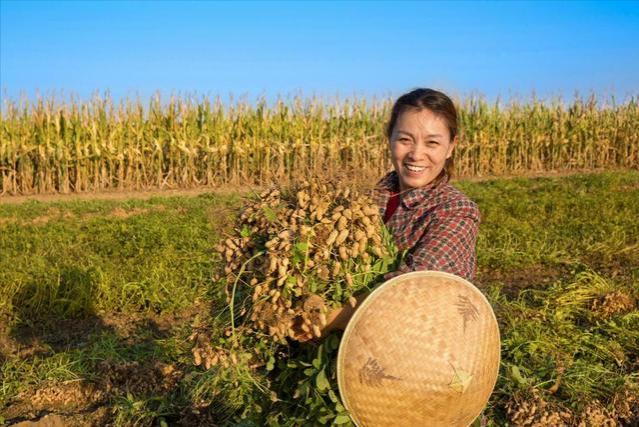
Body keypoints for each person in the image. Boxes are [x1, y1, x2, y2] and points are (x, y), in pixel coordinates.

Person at [319, 88, 481, 336]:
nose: (416, 154)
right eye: (405, 140)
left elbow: (409, 290)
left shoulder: (456, 211)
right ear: (389, 138)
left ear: (451, 147)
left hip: (415, 342)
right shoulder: (367, 198)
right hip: (354, 333)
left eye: (432, 143)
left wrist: (327, 319)